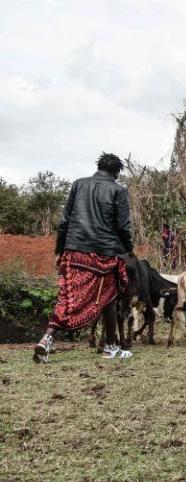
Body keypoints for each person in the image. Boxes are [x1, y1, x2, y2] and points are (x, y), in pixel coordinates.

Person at [33, 153, 133, 363]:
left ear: (98, 167)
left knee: (68, 300)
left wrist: (60, 251)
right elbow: (123, 227)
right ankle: (110, 348)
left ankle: (47, 338)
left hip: (74, 252)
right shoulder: (118, 190)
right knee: (110, 298)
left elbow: (65, 221)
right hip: (105, 255)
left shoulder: (78, 184)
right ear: (116, 172)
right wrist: (128, 250)